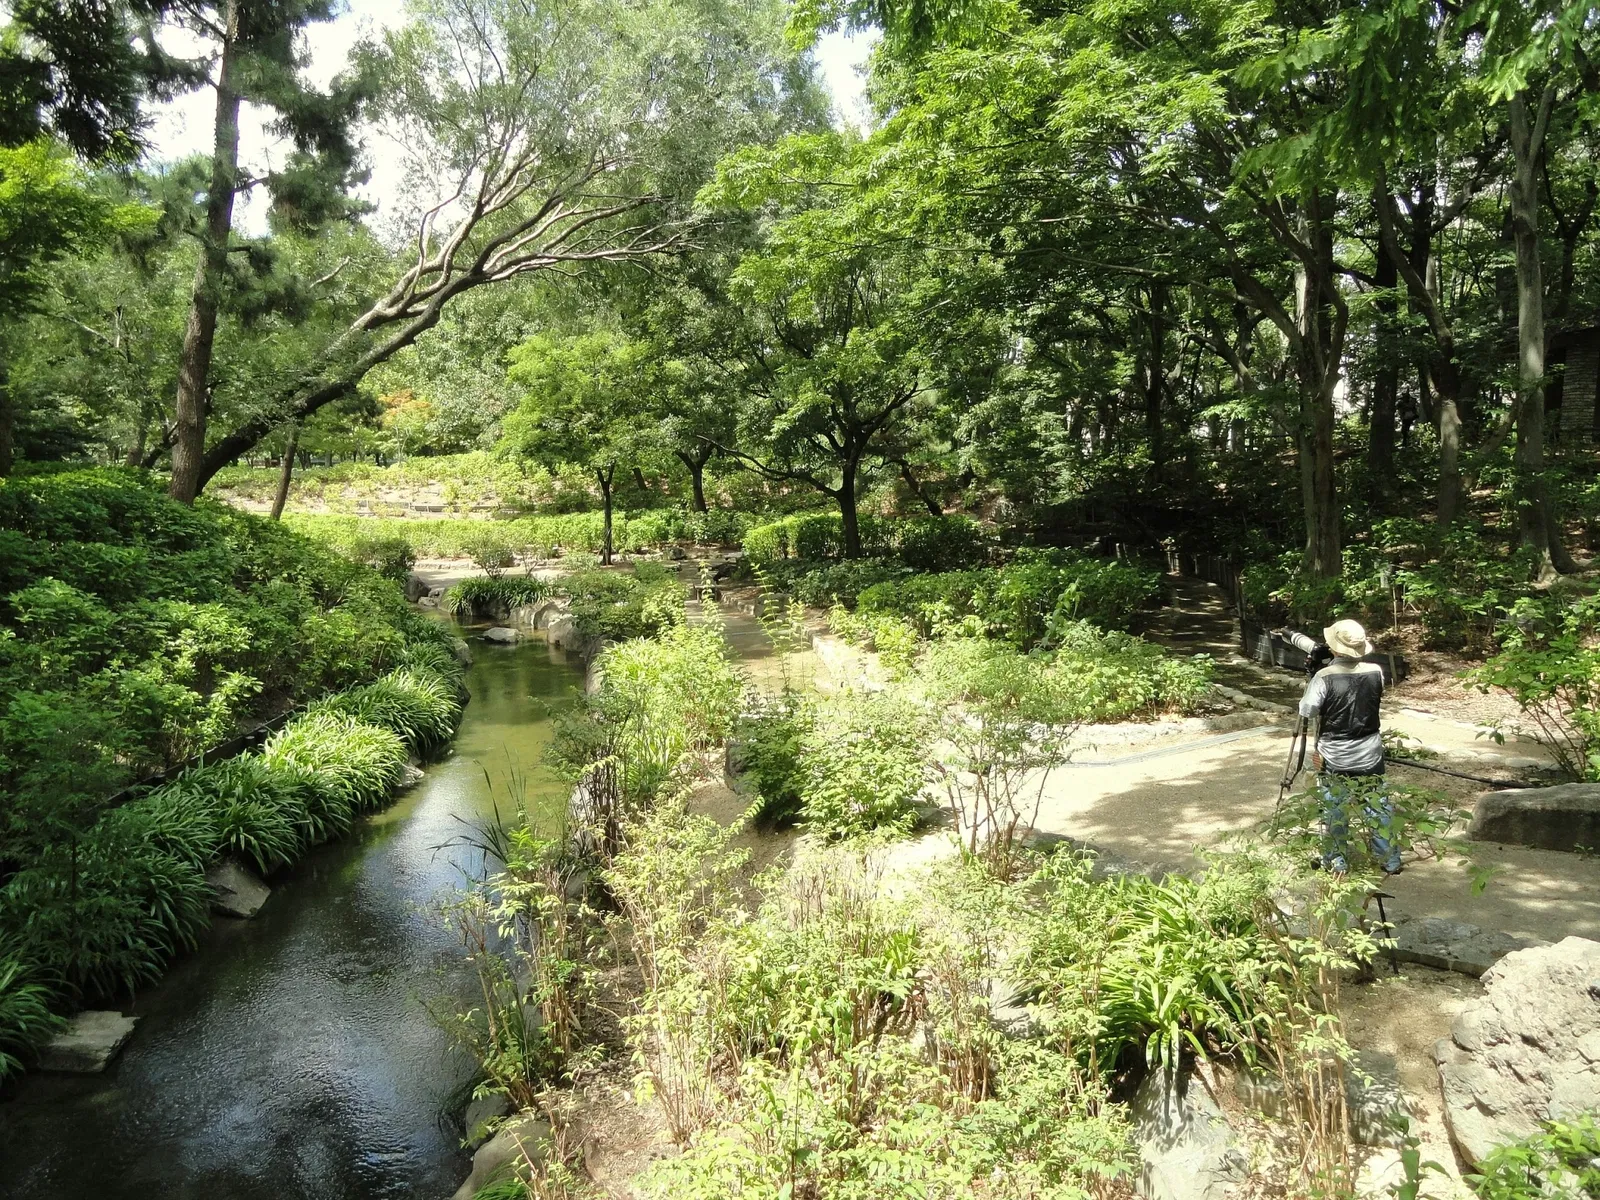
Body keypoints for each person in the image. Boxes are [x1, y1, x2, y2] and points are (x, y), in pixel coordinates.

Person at [1276, 619, 1401, 875]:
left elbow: (1307, 710)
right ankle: (1390, 860)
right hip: (1370, 751)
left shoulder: (1324, 676)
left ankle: (1335, 861)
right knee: (1377, 805)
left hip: (1336, 755)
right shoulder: (1376, 671)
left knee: (1335, 808)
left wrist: (1313, 676)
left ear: (1334, 648)